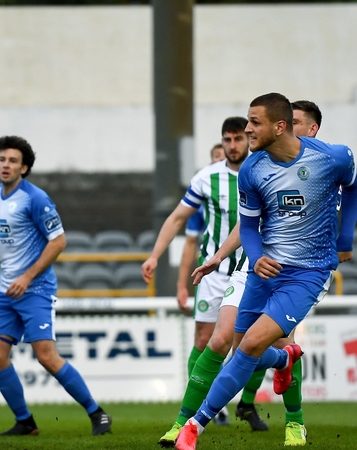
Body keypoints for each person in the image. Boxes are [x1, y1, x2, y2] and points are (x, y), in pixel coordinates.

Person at [175, 93, 357, 450]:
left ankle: (194, 425)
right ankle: (284, 358)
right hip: (262, 269)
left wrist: (345, 239)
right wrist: (255, 258)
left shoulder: (333, 157)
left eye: (254, 122)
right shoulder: (253, 169)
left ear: (279, 126)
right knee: (244, 350)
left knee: (252, 344)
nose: (246, 129)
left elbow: (352, 186)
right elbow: (247, 226)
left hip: (307, 272)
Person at [0, 136, 111, 437]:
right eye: (2, 159)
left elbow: (59, 241)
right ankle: (25, 421)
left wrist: (27, 276)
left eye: (13, 161)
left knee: (46, 356)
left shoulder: (35, 198)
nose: (6, 165)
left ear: (24, 168)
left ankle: (97, 412)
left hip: (35, 289)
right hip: (5, 291)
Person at [143, 117, 274, 447]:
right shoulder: (207, 177)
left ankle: (245, 404)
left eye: (237, 139)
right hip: (215, 271)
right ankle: (195, 413)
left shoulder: (263, 170)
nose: (232, 146)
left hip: (255, 269)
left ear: (247, 140)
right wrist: (155, 256)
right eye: (226, 140)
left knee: (254, 342)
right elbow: (177, 218)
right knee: (208, 340)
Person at [176, 144, 226, 313]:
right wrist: (181, 285)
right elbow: (190, 243)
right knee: (205, 334)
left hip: (242, 270)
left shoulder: (248, 193)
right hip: (211, 273)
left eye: (225, 156)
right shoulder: (200, 204)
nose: (221, 160)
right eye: (217, 156)